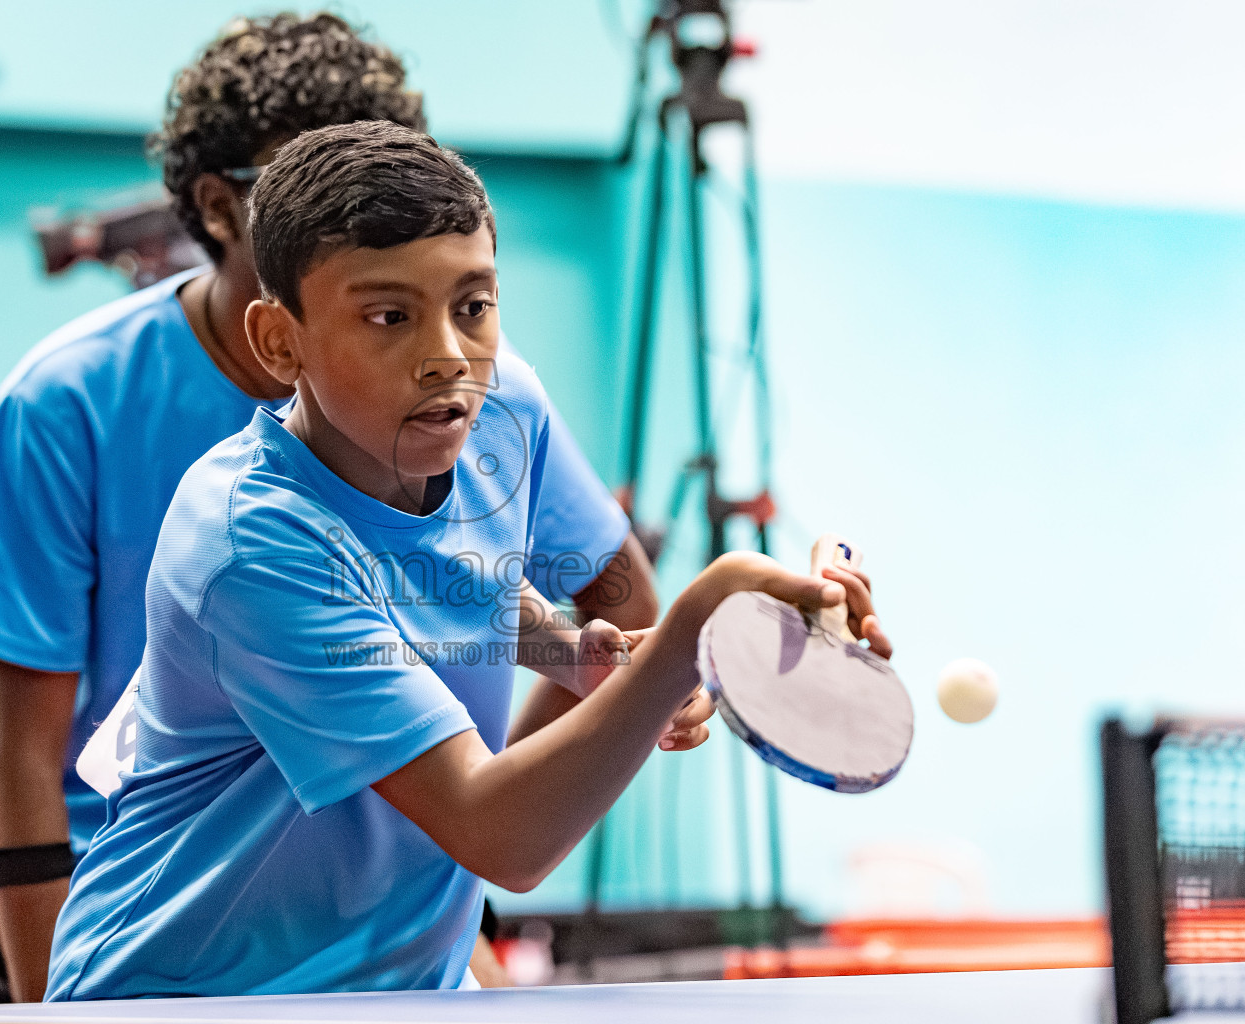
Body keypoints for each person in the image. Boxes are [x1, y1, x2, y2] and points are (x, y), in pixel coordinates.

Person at [0, 13, 657, 1007]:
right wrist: (49, 998)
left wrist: (457, 831)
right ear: (220, 209)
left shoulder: (477, 393)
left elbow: (496, 581)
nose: (358, 202)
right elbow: (22, 753)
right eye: (315, 181)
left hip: (369, 886)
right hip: (106, 889)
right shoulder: (76, 405)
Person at [45, 121, 891, 1000]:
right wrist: (694, 618)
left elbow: (448, 571)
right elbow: (502, 839)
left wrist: (570, 655)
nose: (448, 354)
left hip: (397, 994)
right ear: (280, 342)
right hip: (186, 1005)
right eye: (387, 316)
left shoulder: (499, 411)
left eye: (474, 305)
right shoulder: (246, 545)